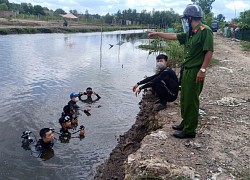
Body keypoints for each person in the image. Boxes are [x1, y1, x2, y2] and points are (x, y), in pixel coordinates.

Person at [147, 4, 214, 138]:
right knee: (184, 99)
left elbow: (209, 52)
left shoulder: (204, 31)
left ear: (190, 18)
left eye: (185, 19)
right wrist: (157, 34)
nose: (184, 21)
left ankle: (189, 131)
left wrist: (203, 69)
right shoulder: (190, 33)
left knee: (191, 101)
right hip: (187, 70)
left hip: (195, 71)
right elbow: (173, 36)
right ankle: (185, 123)